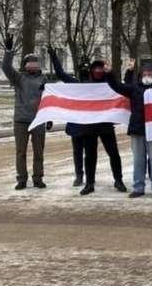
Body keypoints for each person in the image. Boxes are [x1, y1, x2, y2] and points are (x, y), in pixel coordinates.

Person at [48, 48, 127, 196]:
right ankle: (89, 183)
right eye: (95, 68)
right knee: (90, 155)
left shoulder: (110, 85)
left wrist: (111, 73)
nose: (98, 70)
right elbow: (62, 75)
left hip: (105, 125)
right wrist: (54, 57)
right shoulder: (82, 86)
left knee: (114, 153)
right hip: (89, 126)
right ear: (91, 70)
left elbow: (125, 88)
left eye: (100, 68)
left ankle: (119, 180)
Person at [105, 59, 152, 198]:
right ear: (140, 75)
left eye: (150, 73)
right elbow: (117, 86)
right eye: (145, 73)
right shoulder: (134, 89)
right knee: (138, 159)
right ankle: (138, 187)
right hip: (137, 129)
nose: (147, 75)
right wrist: (109, 74)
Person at [2, 35, 48, 190]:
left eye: (35, 63)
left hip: (39, 120)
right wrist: (8, 51)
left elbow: (49, 99)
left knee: (39, 152)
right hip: (21, 120)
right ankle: (22, 178)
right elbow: (6, 68)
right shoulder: (19, 78)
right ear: (25, 65)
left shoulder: (44, 79)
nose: (33, 65)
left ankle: (38, 178)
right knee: (20, 152)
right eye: (30, 63)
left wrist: (49, 117)